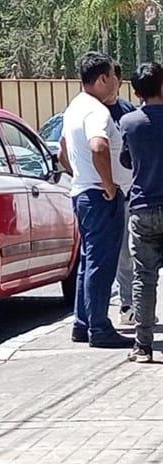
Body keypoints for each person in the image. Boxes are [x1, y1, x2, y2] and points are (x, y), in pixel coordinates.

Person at [59, 51, 134, 348]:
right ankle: (100, 328)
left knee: (88, 262)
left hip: (83, 191)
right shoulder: (97, 111)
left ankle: (83, 322)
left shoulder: (74, 107)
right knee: (101, 264)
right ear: (103, 78)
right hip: (100, 196)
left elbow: (62, 152)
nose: (117, 81)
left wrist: (79, 174)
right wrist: (109, 185)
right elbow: (98, 145)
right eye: (113, 76)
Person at [119, 62, 163, 363]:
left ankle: (143, 345)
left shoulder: (129, 123)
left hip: (142, 206)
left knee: (144, 277)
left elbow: (124, 159)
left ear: (135, 92)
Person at [106, 61, 137, 325]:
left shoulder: (127, 111)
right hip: (103, 192)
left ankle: (129, 304)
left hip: (129, 192)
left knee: (129, 252)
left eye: (113, 77)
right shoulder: (92, 111)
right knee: (113, 253)